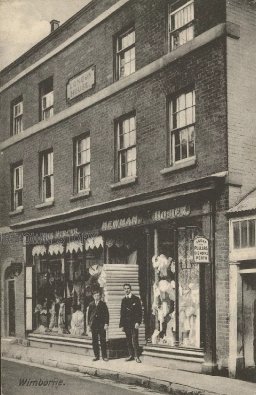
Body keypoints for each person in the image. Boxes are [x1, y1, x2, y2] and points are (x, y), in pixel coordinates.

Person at [120, 283, 142, 363]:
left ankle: (137, 356)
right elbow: (122, 313)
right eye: (125, 288)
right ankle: (131, 355)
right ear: (123, 290)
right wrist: (122, 325)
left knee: (135, 339)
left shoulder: (136, 299)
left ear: (130, 289)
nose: (126, 290)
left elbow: (140, 312)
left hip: (134, 323)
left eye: (128, 288)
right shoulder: (123, 300)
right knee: (128, 340)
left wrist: (138, 322)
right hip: (126, 324)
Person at [88, 289, 109, 362]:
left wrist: (106, 324)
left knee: (103, 340)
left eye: (98, 295)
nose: (97, 297)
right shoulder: (91, 304)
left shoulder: (103, 304)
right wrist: (89, 325)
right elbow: (89, 315)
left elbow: (107, 315)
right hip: (94, 325)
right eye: (95, 295)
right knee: (95, 341)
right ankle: (96, 356)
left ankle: (104, 356)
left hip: (101, 325)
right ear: (93, 297)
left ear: (100, 296)